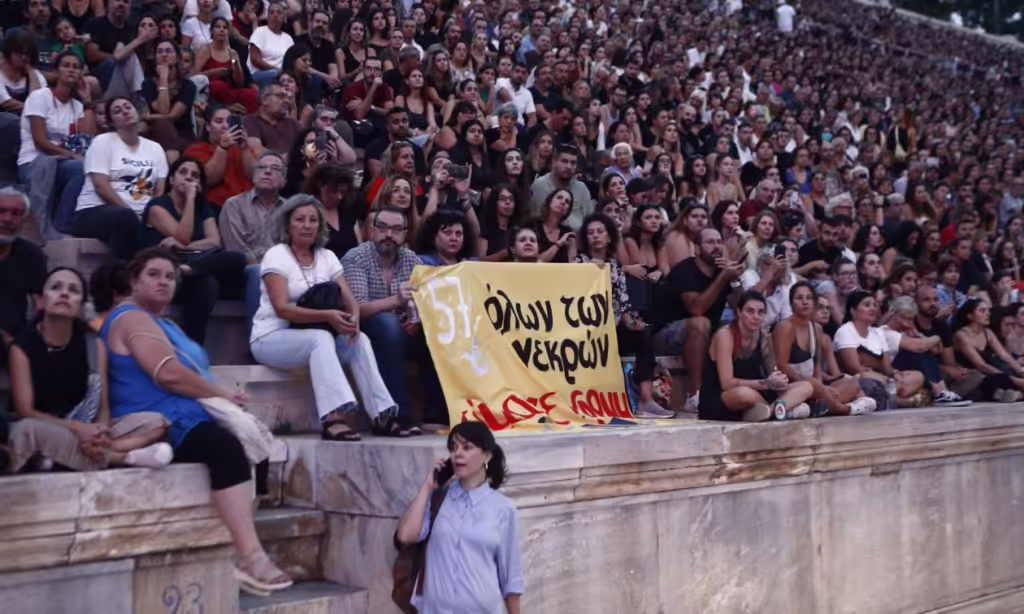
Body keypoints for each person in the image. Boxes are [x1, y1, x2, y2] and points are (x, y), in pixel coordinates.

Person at [100, 247, 292, 594]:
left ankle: (242, 544)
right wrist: (220, 396)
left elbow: (192, 373)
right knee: (224, 447)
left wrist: (225, 397)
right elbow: (168, 374)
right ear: (134, 281)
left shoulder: (164, 323)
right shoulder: (130, 318)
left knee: (257, 443)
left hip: (187, 412)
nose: (163, 282)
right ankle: (250, 557)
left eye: (170, 276)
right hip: (157, 419)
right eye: (153, 274)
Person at [248, 194, 397, 441]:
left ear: (320, 225)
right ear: (288, 225)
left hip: (317, 335)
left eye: (313, 220)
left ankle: (382, 415)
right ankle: (333, 417)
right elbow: (282, 309)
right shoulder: (277, 254)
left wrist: (353, 320)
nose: (307, 225)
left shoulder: (327, 256)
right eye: (300, 220)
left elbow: (350, 300)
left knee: (359, 340)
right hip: (271, 338)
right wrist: (328, 316)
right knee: (320, 338)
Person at [8, 267, 172, 473]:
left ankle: (83, 454)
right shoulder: (21, 348)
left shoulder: (93, 345)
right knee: (27, 430)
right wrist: (78, 429)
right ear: (40, 300)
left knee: (157, 422)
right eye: (56, 287)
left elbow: (102, 406)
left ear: (80, 306)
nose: (64, 293)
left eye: (73, 290)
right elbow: (25, 411)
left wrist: (100, 432)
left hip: (87, 426)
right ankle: (121, 457)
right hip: (50, 427)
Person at [395, 421, 523, 614]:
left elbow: (511, 579)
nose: (458, 454)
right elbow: (406, 535)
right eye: (453, 448)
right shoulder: (438, 498)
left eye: (467, 447)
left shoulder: (503, 508)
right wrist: (427, 487)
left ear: (487, 455)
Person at [342, 207, 432, 430]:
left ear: (405, 233)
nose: (389, 235)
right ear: (372, 230)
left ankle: (436, 413)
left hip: (400, 328)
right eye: (383, 228)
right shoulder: (356, 258)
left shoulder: (412, 259)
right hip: (362, 328)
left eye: (396, 229)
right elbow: (356, 309)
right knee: (388, 324)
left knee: (435, 335)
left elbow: (425, 301)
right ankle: (399, 413)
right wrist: (395, 301)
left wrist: (417, 320)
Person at [138, 156, 245, 343]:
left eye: (195, 176)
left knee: (236, 259)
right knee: (208, 283)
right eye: (183, 172)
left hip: (192, 265)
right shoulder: (157, 206)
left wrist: (185, 247)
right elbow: (183, 236)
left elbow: (215, 242)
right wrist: (190, 199)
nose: (188, 178)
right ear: (172, 179)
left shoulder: (202, 208)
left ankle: (187, 270)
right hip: (163, 270)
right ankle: (192, 347)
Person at [575, 213, 672, 418]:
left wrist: (632, 323)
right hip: (586, 332)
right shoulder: (577, 264)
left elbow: (623, 306)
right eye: (590, 233)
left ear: (609, 237)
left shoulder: (616, 266)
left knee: (644, 334)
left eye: (600, 232)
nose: (595, 236)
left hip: (613, 329)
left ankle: (646, 400)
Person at [653, 227, 743, 413]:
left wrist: (734, 280)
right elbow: (696, 309)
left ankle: (741, 392)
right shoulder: (684, 269)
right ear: (697, 248)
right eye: (710, 242)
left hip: (706, 333)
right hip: (666, 334)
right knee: (701, 323)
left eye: (719, 242)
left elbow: (741, 307)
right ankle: (695, 396)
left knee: (744, 324)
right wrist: (723, 277)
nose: (716, 246)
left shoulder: (721, 271)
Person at [72, 96, 168, 260]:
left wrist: (150, 217)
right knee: (126, 219)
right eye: (117, 111)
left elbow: (159, 190)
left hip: (140, 214)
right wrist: (133, 214)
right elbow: (101, 186)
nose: (125, 112)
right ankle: (120, 272)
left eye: (127, 107)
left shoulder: (155, 148)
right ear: (112, 122)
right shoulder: (103, 142)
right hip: (94, 211)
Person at [700, 290, 813, 421]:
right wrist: (766, 384)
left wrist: (778, 381)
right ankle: (781, 411)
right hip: (724, 397)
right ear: (739, 313)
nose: (756, 317)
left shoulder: (763, 336)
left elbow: (772, 372)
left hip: (758, 394)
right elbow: (727, 384)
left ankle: (769, 412)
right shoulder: (725, 336)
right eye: (750, 311)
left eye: (760, 312)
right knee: (744, 393)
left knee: (806, 387)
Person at [18, 50, 96, 237]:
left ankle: (62, 226)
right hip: (34, 160)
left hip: (62, 162)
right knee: (54, 163)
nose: (71, 70)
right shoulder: (40, 96)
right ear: (56, 71)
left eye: (76, 67)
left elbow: (87, 138)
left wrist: (87, 101)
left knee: (84, 168)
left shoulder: (77, 106)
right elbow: (40, 141)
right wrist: (70, 154)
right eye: (66, 66)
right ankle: (42, 229)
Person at [774, 282, 876, 416]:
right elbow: (782, 366)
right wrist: (820, 387)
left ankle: (818, 406)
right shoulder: (786, 327)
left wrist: (822, 389)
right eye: (799, 298)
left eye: (809, 298)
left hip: (815, 386)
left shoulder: (816, 328)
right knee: (811, 383)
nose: (805, 302)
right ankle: (843, 409)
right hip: (792, 386)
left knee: (852, 384)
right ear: (791, 304)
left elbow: (817, 367)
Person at [220, 153, 287, 327]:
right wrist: (269, 273)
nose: (267, 172)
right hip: (244, 271)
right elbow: (237, 250)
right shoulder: (234, 205)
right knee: (256, 272)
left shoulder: (290, 210)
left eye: (275, 169)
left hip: (283, 273)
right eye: (262, 168)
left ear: (284, 181)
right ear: (254, 176)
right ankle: (258, 336)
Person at [834, 290, 927, 408]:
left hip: (881, 379)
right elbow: (854, 368)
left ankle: (893, 395)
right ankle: (900, 400)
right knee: (867, 377)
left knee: (918, 376)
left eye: (874, 305)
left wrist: (896, 374)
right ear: (853, 310)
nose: (873, 308)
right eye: (867, 305)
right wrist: (885, 379)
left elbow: (887, 368)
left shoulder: (878, 332)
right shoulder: (845, 330)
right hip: (856, 379)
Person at [0, 188, 49, 370]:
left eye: (16, 214)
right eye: (1, 211)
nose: (7, 219)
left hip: (15, 339)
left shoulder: (31, 255)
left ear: (23, 221)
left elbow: (41, 305)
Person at [953, 298, 1024, 402]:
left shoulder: (987, 332)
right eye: (982, 310)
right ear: (970, 316)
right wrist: (1015, 380)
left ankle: (1013, 394)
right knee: (1000, 379)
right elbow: (981, 366)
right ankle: (1017, 394)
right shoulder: (962, 335)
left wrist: (1021, 372)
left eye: (988, 310)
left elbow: (1005, 356)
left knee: (1006, 372)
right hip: (974, 378)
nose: (988, 314)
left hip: (991, 375)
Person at [183, 106, 255, 208]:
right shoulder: (196, 149)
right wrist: (222, 148)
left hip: (248, 205)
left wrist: (245, 149)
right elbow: (208, 179)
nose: (225, 126)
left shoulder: (243, 149)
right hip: (215, 206)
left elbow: (256, 176)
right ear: (208, 126)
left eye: (228, 121)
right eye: (219, 121)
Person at [140, 38, 197, 159]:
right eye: (160, 51)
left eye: (169, 51)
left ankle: (172, 165)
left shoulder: (188, 86)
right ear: (155, 57)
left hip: (182, 136)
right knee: (160, 125)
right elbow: (163, 109)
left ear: (177, 57)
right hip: (155, 136)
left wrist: (148, 117)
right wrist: (164, 79)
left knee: (164, 124)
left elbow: (172, 116)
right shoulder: (148, 84)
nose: (164, 55)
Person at [195, 16, 258, 113]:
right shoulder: (205, 50)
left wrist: (236, 64)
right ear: (211, 31)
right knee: (218, 86)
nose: (222, 30)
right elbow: (194, 75)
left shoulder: (231, 52)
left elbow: (239, 82)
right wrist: (214, 72)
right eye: (218, 27)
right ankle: (229, 109)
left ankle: (248, 119)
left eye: (225, 27)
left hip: (229, 90)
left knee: (251, 94)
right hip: (210, 89)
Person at [529, 144, 593, 231]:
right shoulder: (540, 185)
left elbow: (590, 221)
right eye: (564, 161)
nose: (569, 167)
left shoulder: (582, 189)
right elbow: (535, 219)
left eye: (573, 163)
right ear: (554, 162)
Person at [244, 82, 301, 158]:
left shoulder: (293, 125)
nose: (286, 101)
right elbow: (256, 150)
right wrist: (287, 158)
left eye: (287, 98)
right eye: (281, 96)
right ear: (264, 100)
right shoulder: (250, 121)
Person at [246, 1, 293, 87]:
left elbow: (291, 60)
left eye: (279, 12)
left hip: (281, 73)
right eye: (272, 12)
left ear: (283, 17)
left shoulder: (288, 38)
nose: (275, 15)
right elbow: (255, 60)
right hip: (258, 73)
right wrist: (278, 70)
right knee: (281, 76)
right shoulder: (260, 32)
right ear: (267, 17)